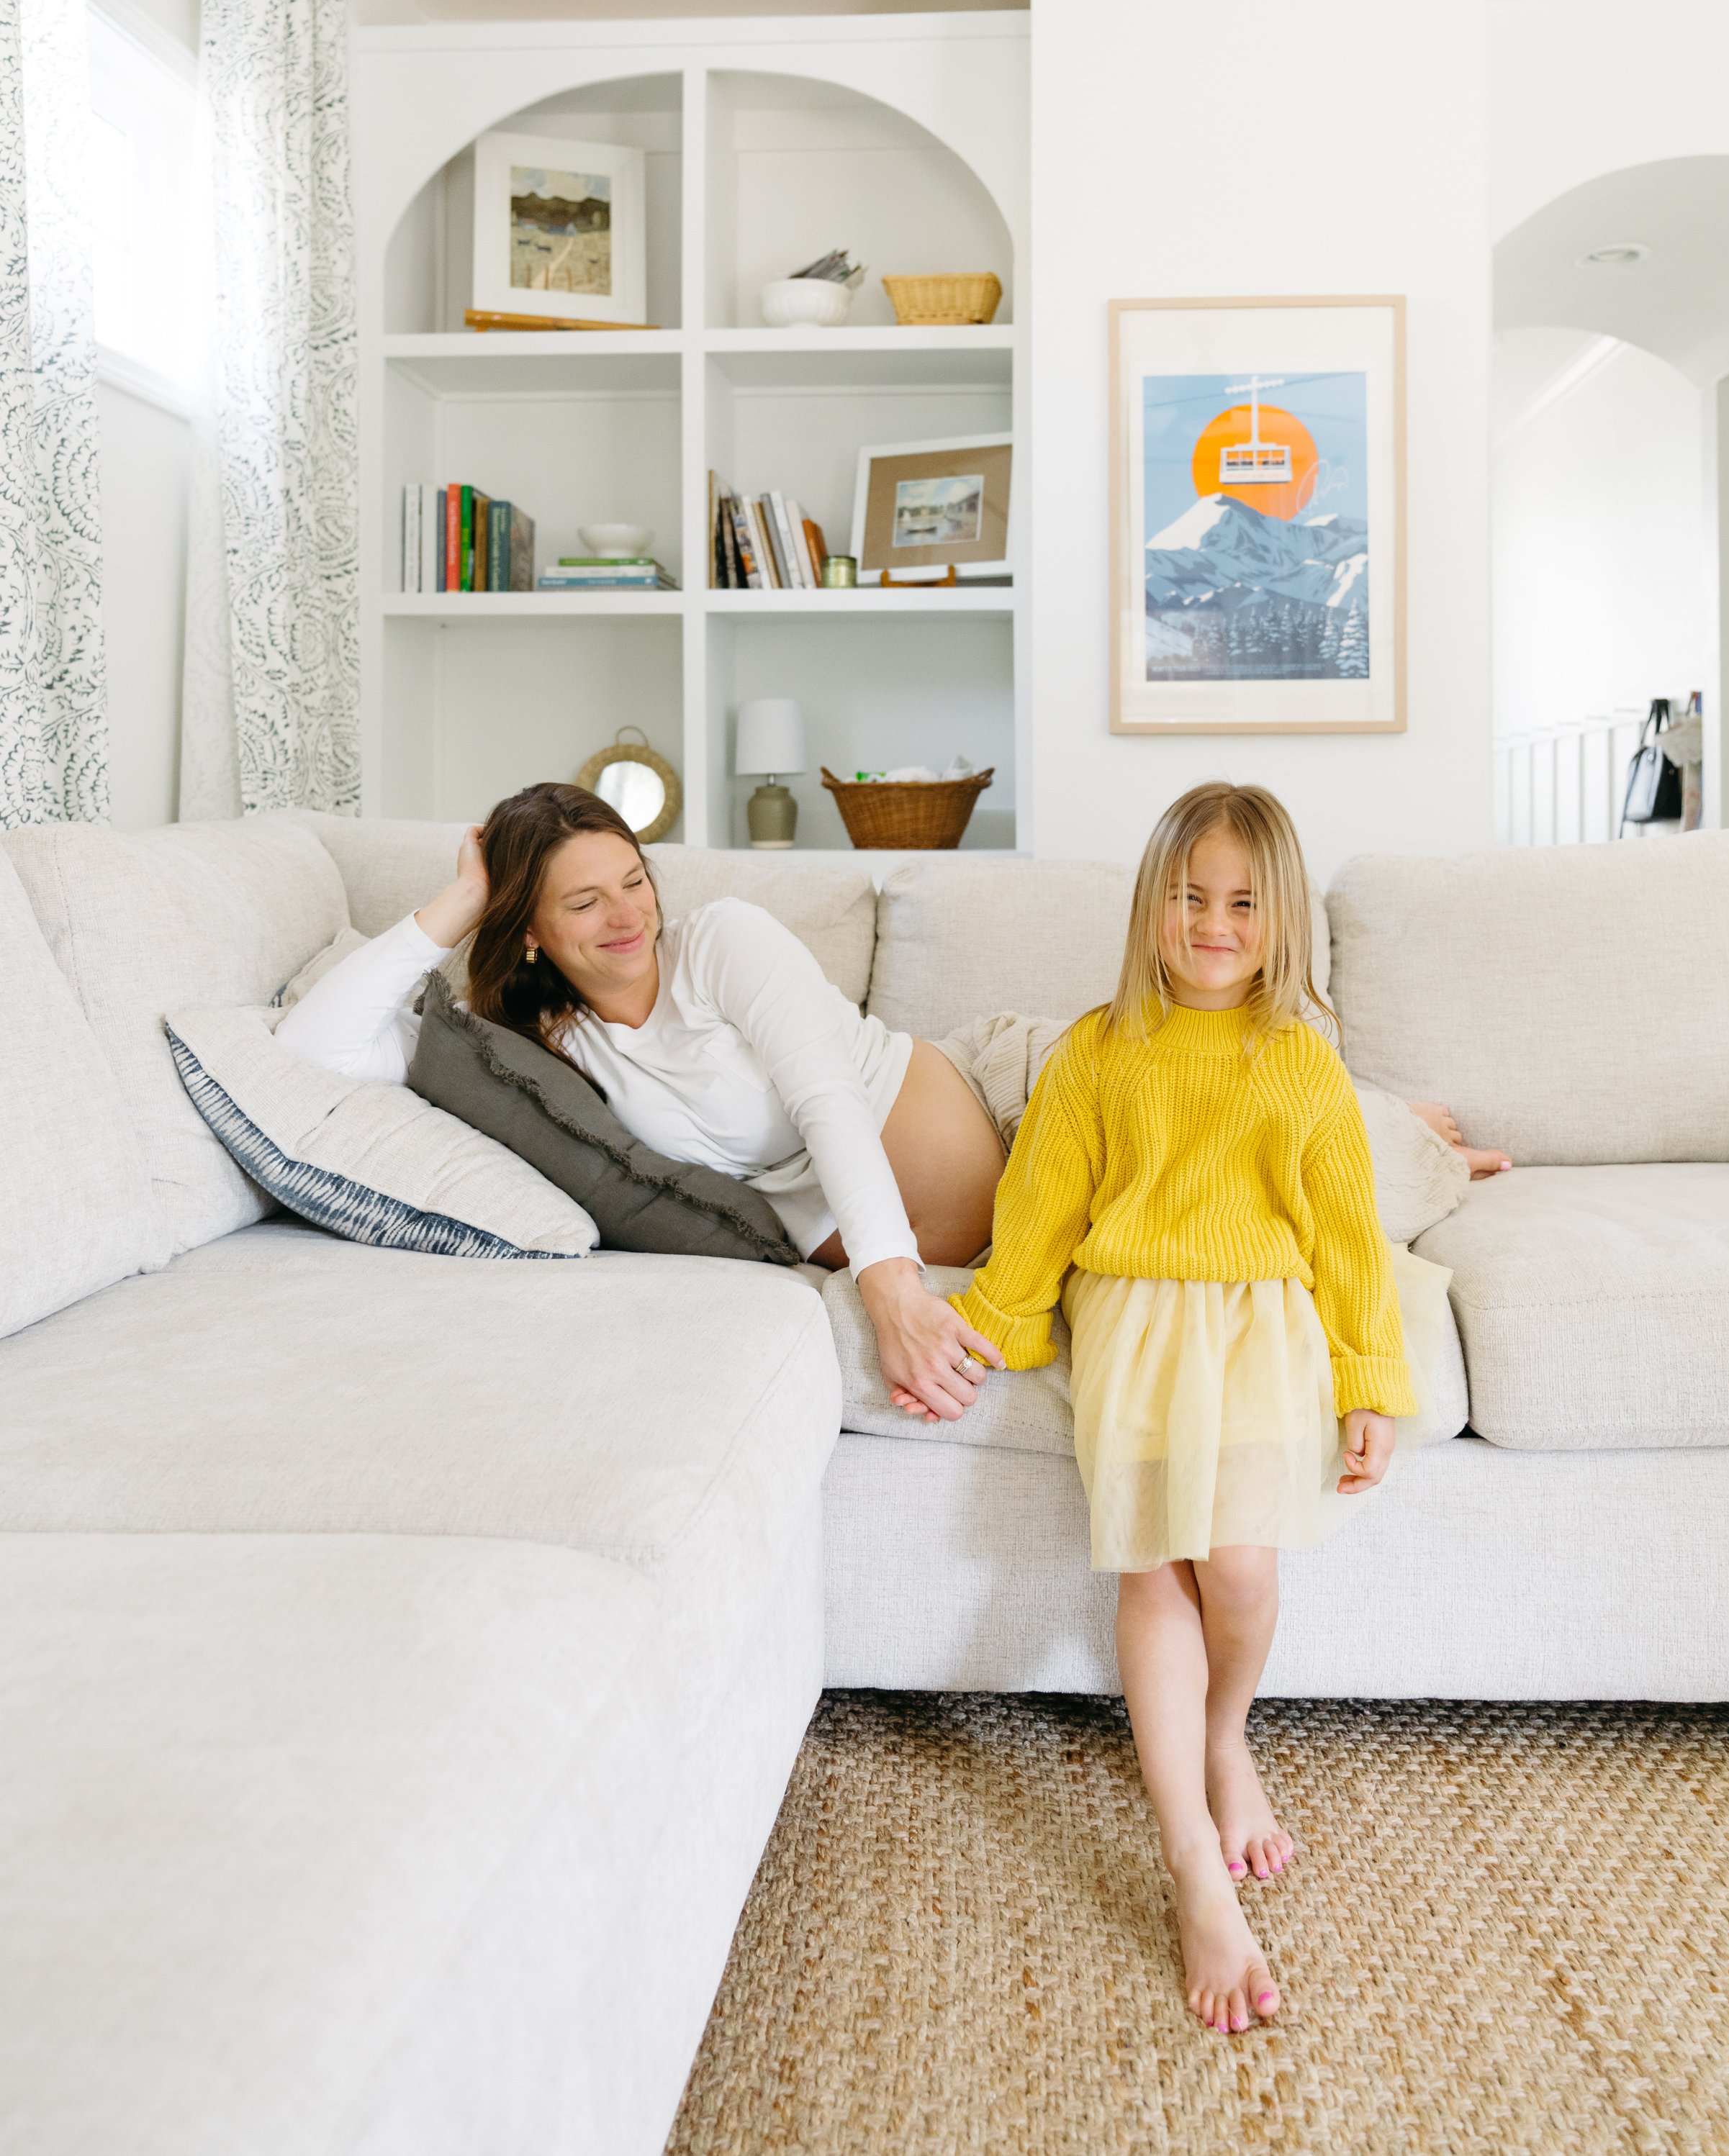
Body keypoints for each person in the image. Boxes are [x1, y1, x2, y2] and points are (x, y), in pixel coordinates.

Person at [947, 780, 1445, 2037]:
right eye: (1188, 896)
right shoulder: (1096, 1050)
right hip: (1136, 1319)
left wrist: (1372, 1381)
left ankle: (1226, 1736)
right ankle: (1187, 1862)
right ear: (1151, 905)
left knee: (1241, 1567)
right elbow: (1042, 1208)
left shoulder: (1302, 1062)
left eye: (1240, 904)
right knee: (1158, 1568)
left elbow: (1347, 1240)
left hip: (1263, 1326)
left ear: (1278, 923)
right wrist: (994, 1321)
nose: (1212, 923)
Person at [274, 782, 1007, 1420]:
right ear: (529, 926)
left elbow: (829, 1101)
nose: (627, 917)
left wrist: (893, 1296)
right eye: (585, 903)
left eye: (634, 881)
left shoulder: (723, 940)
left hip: (1010, 1106)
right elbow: (317, 1046)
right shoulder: (529, 1050)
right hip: (970, 1248)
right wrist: (465, 897)